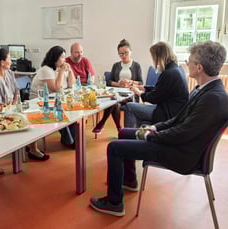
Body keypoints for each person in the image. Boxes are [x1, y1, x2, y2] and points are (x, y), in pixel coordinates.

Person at [89, 40, 228, 217]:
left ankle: (114, 203)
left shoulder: (213, 98)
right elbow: (178, 120)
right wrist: (154, 127)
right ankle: (129, 180)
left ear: (199, 67)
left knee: (114, 147)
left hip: (181, 154)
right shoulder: (206, 90)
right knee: (124, 132)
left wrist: (152, 135)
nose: (186, 64)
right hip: (179, 144)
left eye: (190, 61)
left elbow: (183, 133)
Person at [124, 41, 189, 128]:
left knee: (129, 107)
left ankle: (129, 135)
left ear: (159, 56)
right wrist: (144, 88)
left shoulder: (168, 73)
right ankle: (140, 134)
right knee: (136, 109)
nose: (153, 59)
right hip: (174, 110)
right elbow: (162, 89)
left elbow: (154, 98)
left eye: (153, 57)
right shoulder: (176, 69)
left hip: (167, 113)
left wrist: (138, 92)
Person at [92, 39, 143, 134]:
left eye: (126, 53)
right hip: (117, 93)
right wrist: (118, 84)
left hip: (130, 94)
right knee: (115, 103)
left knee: (114, 101)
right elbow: (109, 81)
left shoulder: (136, 66)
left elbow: (140, 83)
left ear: (131, 51)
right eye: (121, 54)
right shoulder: (116, 65)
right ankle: (119, 128)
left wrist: (130, 82)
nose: (123, 56)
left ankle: (102, 123)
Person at [30, 46, 77, 148]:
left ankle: (71, 138)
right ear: (55, 58)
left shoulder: (59, 69)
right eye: (62, 57)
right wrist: (61, 72)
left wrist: (70, 71)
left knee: (72, 108)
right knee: (61, 109)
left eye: (65, 57)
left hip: (54, 100)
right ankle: (69, 140)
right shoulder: (46, 70)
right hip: (39, 102)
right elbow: (56, 88)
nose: (64, 60)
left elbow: (71, 85)